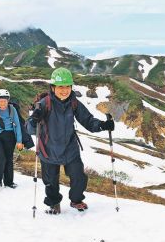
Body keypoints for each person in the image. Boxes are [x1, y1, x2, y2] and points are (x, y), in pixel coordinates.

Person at [27, 67, 114, 214]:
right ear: (53, 87)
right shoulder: (43, 104)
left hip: (70, 149)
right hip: (48, 149)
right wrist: (34, 119)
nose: (64, 90)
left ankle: (76, 200)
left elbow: (88, 121)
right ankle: (54, 203)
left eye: (67, 86)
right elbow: (30, 129)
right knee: (50, 182)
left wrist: (103, 125)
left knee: (79, 176)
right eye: (61, 87)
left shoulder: (74, 103)